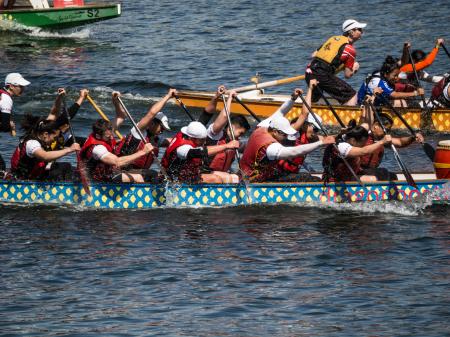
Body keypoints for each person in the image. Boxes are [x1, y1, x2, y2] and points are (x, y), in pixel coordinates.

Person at [240, 115, 335, 182]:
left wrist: (292, 100)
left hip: (252, 174)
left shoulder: (261, 129)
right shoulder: (271, 147)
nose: (286, 137)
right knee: (313, 179)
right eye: (285, 134)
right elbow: (295, 151)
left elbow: (280, 111)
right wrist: (321, 143)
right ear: (275, 132)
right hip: (259, 180)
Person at [112, 89, 175, 182]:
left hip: (135, 173)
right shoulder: (138, 132)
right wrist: (168, 96)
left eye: (164, 130)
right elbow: (151, 114)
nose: (162, 131)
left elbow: (173, 141)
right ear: (152, 123)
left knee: (163, 176)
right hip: (121, 171)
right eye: (161, 128)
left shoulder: (155, 139)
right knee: (154, 174)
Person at [358, 98, 425, 180]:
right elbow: (364, 118)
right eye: (386, 129)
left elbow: (400, 142)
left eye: (389, 130)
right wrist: (369, 101)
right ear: (375, 125)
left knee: (392, 176)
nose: (387, 132)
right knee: (383, 172)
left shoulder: (382, 139)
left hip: (371, 171)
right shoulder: (362, 134)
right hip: (357, 171)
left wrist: (413, 137)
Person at [305, 19, 366, 106]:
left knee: (315, 98)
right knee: (351, 95)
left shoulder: (333, 39)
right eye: (359, 30)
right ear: (351, 32)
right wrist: (354, 69)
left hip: (309, 70)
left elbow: (314, 55)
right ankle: (349, 118)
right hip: (322, 74)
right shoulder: (350, 50)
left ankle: (306, 111)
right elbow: (347, 75)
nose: (362, 32)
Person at [161, 121, 240, 184]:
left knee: (233, 178)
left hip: (188, 174)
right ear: (193, 138)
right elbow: (199, 153)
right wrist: (226, 146)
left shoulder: (187, 136)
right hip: (174, 179)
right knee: (215, 179)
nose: (204, 142)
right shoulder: (182, 148)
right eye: (202, 140)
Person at [80, 119, 154, 183]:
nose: (112, 137)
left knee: (149, 174)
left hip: (108, 173)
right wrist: (143, 152)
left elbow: (121, 116)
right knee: (138, 177)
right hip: (96, 180)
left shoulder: (104, 135)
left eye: (112, 134)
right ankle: (139, 198)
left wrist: (116, 102)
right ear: (98, 136)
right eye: (108, 137)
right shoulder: (98, 148)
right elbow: (117, 162)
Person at [10, 115, 80, 181]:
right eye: (54, 137)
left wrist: (58, 102)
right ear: (46, 134)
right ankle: (65, 189)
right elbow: (45, 156)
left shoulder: (39, 136)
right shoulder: (32, 143)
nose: (54, 140)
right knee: (64, 167)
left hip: (32, 175)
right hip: (22, 180)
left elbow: (53, 113)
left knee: (68, 167)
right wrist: (69, 149)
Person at [203, 89, 251, 176]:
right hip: (206, 175)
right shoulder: (215, 134)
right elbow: (225, 116)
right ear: (231, 128)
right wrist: (229, 98)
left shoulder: (235, 143)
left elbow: (250, 146)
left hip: (222, 176)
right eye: (240, 133)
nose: (240, 137)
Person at [322, 126, 392, 183]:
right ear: (353, 140)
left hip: (349, 176)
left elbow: (365, 125)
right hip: (336, 181)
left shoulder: (346, 138)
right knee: (374, 179)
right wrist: (382, 142)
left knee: (385, 173)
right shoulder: (342, 146)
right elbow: (364, 151)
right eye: (362, 143)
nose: (363, 145)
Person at [357, 56, 425, 107]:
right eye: (395, 75)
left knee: (406, 98)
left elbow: (403, 61)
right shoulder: (381, 82)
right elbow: (394, 95)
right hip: (364, 105)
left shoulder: (380, 73)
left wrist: (405, 48)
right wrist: (415, 93)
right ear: (386, 74)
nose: (397, 78)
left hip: (372, 101)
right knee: (402, 102)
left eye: (397, 75)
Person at [0, 73, 30, 171]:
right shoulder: (6, 99)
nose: (23, 89)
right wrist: (10, 126)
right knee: (1, 167)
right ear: (11, 86)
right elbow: (4, 127)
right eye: (20, 86)